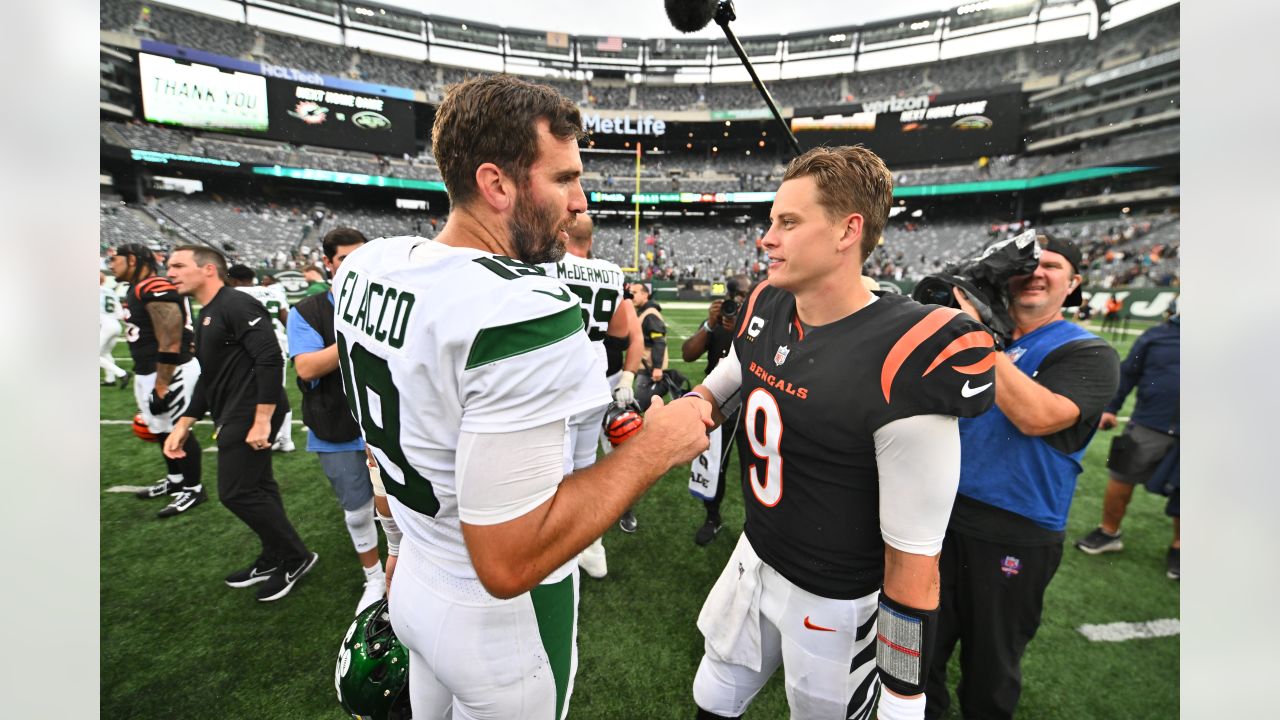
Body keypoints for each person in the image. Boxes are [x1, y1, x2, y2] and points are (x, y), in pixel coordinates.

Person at [332, 74, 711, 720]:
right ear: (497, 184)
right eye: (563, 178)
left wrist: (397, 550)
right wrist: (657, 448)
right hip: (497, 622)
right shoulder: (522, 310)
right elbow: (509, 560)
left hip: (418, 574)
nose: (579, 200)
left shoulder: (369, 267)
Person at [688, 145, 997, 720]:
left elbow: (914, 559)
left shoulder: (903, 354)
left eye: (788, 221)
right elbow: (731, 376)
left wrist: (904, 693)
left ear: (847, 230)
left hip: (837, 597)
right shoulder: (769, 302)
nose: (766, 238)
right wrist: (691, 404)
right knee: (712, 698)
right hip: (754, 555)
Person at [925, 235, 1121, 720]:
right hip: (939, 517)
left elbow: (1038, 416)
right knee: (919, 659)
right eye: (1028, 264)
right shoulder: (984, 332)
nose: (1037, 272)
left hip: (1014, 528)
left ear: (1073, 283)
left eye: (1052, 265)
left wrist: (977, 334)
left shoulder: (1088, 351)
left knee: (990, 673)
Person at [161, 245, 318, 603]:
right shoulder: (208, 312)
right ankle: (275, 554)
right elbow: (209, 376)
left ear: (209, 270)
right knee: (259, 488)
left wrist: (263, 420)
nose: (171, 272)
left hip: (250, 411)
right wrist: (184, 423)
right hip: (233, 409)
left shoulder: (236, 304)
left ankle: (295, 557)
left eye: (179, 265)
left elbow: (269, 357)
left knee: (237, 493)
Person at [287, 228, 394, 614]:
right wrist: (353, 333)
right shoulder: (308, 311)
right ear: (329, 264)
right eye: (346, 259)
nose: (356, 266)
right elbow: (307, 366)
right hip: (336, 426)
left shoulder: (388, 301)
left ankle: (404, 571)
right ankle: (373, 578)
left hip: (388, 424)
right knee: (357, 508)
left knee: (401, 506)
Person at [539, 213, 641, 579]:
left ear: (563, 233)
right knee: (585, 467)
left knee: (554, 470)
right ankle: (592, 547)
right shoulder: (612, 271)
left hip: (559, 370)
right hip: (595, 372)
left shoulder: (550, 263)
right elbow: (620, 330)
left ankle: (559, 552)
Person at [1075, 299, 1180, 579]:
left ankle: (1180, 548)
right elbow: (1128, 373)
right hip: (1149, 423)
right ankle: (1109, 531)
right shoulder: (1156, 335)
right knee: (1119, 476)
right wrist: (1110, 408)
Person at [109, 244, 205, 519]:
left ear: (132, 259)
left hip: (169, 369)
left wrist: (162, 384)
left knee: (178, 429)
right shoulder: (138, 287)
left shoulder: (154, 286)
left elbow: (171, 337)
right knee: (161, 428)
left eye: (114, 260)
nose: (110, 265)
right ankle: (176, 481)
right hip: (149, 369)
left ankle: (194, 488)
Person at [680, 275, 750, 546]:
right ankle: (712, 517)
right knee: (714, 466)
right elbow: (688, 354)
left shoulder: (758, 322)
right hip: (719, 403)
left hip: (750, 404)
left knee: (752, 468)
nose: (739, 300)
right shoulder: (717, 321)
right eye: (735, 294)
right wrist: (710, 325)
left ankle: (754, 524)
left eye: (744, 294)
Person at [618, 279, 670, 533]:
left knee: (632, 427)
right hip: (645, 372)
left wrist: (658, 367)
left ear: (646, 293)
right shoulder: (643, 311)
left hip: (648, 374)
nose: (633, 294)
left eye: (637, 291)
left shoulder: (649, 313)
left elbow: (659, 341)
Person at [226, 264, 296, 453]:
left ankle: (264, 434)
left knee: (252, 393)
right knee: (277, 391)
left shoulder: (232, 295)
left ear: (233, 280)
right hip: (276, 345)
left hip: (248, 349)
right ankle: (285, 439)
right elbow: (288, 321)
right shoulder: (272, 292)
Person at [99, 271, 130, 387]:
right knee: (105, 353)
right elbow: (120, 314)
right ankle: (110, 380)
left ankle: (122, 373)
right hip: (116, 325)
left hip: (104, 325)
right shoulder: (111, 292)